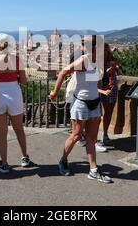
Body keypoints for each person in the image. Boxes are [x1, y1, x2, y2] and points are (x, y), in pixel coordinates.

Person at [49, 36, 112, 183]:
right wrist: (55, 93)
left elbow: (92, 82)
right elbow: (64, 72)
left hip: (94, 102)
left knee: (91, 138)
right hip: (81, 103)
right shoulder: (84, 60)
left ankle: (93, 170)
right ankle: (63, 160)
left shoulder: (98, 61)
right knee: (76, 135)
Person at [0, 33, 32, 174]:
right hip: (15, 95)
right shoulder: (18, 60)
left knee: (2, 133)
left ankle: (4, 163)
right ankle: (24, 158)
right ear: (11, 45)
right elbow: (24, 81)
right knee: (19, 129)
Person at [96, 43, 121, 148]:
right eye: (104, 50)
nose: (105, 52)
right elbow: (96, 76)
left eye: (107, 50)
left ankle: (105, 135)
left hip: (112, 88)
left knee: (109, 112)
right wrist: (105, 73)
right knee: (97, 114)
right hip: (101, 88)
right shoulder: (97, 61)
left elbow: (120, 73)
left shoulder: (112, 59)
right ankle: (94, 138)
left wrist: (116, 69)